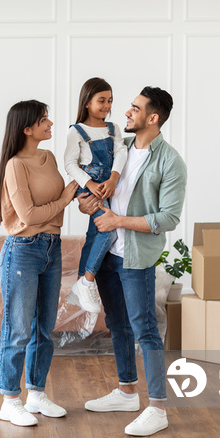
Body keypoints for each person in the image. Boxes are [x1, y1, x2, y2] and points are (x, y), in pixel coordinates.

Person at [79, 86, 187, 436]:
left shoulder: (170, 162)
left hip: (136, 257)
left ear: (152, 118)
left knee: (146, 330)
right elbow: (106, 194)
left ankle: (158, 408)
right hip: (108, 251)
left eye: (135, 109)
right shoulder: (119, 150)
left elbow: (168, 218)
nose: (126, 113)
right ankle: (127, 391)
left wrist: (119, 222)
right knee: (118, 324)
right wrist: (89, 202)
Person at [0, 100, 78, 427]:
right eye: (44, 120)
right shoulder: (15, 165)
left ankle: (36, 394)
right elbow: (27, 217)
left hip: (51, 247)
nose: (51, 123)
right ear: (27, 128)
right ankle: (9, 400)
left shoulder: (49, 157)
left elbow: (48, 213)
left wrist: (64, 204)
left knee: (44, 328)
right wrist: (63, 201)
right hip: (22, 250)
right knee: (18, 329)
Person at [64, 77, 128, 314]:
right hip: (89, 187)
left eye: (110, 101)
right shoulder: (76, 131)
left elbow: (121, 152)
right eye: (101, 100)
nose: (107, 106)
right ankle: (87, 281)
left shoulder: (113, 129)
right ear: (87, 101)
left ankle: (80, 282)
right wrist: (89, 184)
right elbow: (70, 164)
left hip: (109, 185)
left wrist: (113, 178)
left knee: (94, 234)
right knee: (108, 230)